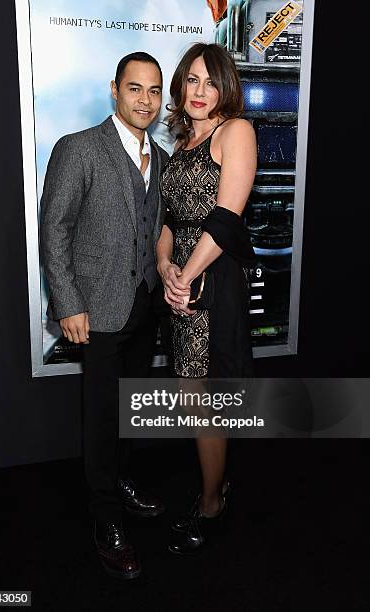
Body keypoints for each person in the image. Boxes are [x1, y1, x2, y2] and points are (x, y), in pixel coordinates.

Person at [40, 52, 169, 579]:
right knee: (101, 416)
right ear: (114, 90)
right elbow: (55, 228)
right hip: (95, 312)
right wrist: (69, 303)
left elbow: (154, 226)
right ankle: (105, 517)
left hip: (143, 304)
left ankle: (122, 482)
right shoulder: (79, 149)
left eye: (154, 91)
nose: (145, 100)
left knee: (131, 408)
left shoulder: (158, 158)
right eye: (135, 89)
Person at [157, 42, 256, 554]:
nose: (199, 91)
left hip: (214, 282)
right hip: (184, 281)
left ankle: (213, 501)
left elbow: (225, 218)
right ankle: (213, 484)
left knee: (205, 398)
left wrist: (188, 277)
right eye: (191, 80)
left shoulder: (234, 131)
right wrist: (164, 265)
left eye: (210, 81)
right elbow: (171, 221)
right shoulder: (180, 144)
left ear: (226, 87)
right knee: (191, 392)